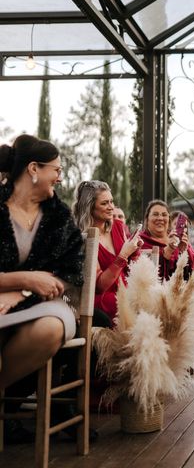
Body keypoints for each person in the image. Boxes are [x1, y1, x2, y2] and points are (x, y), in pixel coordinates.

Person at [0, 135, 84, 442]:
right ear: (34, 168)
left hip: (42, 304)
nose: (60, 177)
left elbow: (72, 271)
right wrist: (19, 281)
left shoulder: (59, 216)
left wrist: (25, 289)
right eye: (56, 169)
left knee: (51, 328)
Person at [72, 181, 143, 327]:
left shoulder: (118, 227)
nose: (111, 207)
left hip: (125, 289)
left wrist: (134, 252)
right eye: (104, 203)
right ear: (90, 207)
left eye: (111, 201)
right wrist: (123, 255)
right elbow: (100, 286)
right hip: (101, 299)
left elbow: (131, 267)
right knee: (127, 307)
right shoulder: (83, 238)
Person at [139, 201, 194, 282]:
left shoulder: (178, 240)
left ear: (168, 220)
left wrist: (184, 252)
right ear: (147, 219)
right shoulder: (139, 241)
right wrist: (168, 250)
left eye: (164, 215)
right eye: (155, 214)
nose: (160, 218)